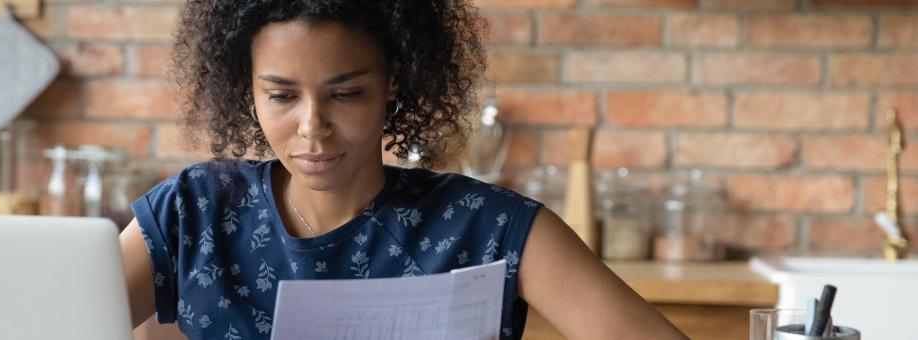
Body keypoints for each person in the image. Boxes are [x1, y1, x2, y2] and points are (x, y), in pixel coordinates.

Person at [119, 1, 687, 339]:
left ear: (394, 84)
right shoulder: (194, 210)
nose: (312, 125)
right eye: (282, 95)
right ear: (246, 89)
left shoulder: (486, 227)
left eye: (346, 94)